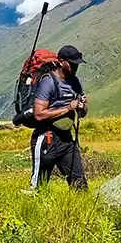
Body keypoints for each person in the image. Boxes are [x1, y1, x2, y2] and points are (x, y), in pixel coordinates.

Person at [29, 45, 88, 190]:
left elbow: (83, 112)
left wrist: (82, 106)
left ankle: (79, 210)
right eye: (72, 63)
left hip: (67, 139)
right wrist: (68, 108)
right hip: (47, 138)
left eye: (77, 64)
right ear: (61, 61)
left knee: (79, 184)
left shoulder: (75, 82)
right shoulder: (48, 81)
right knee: (39, 187)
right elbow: (38, 113)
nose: (75, 67)